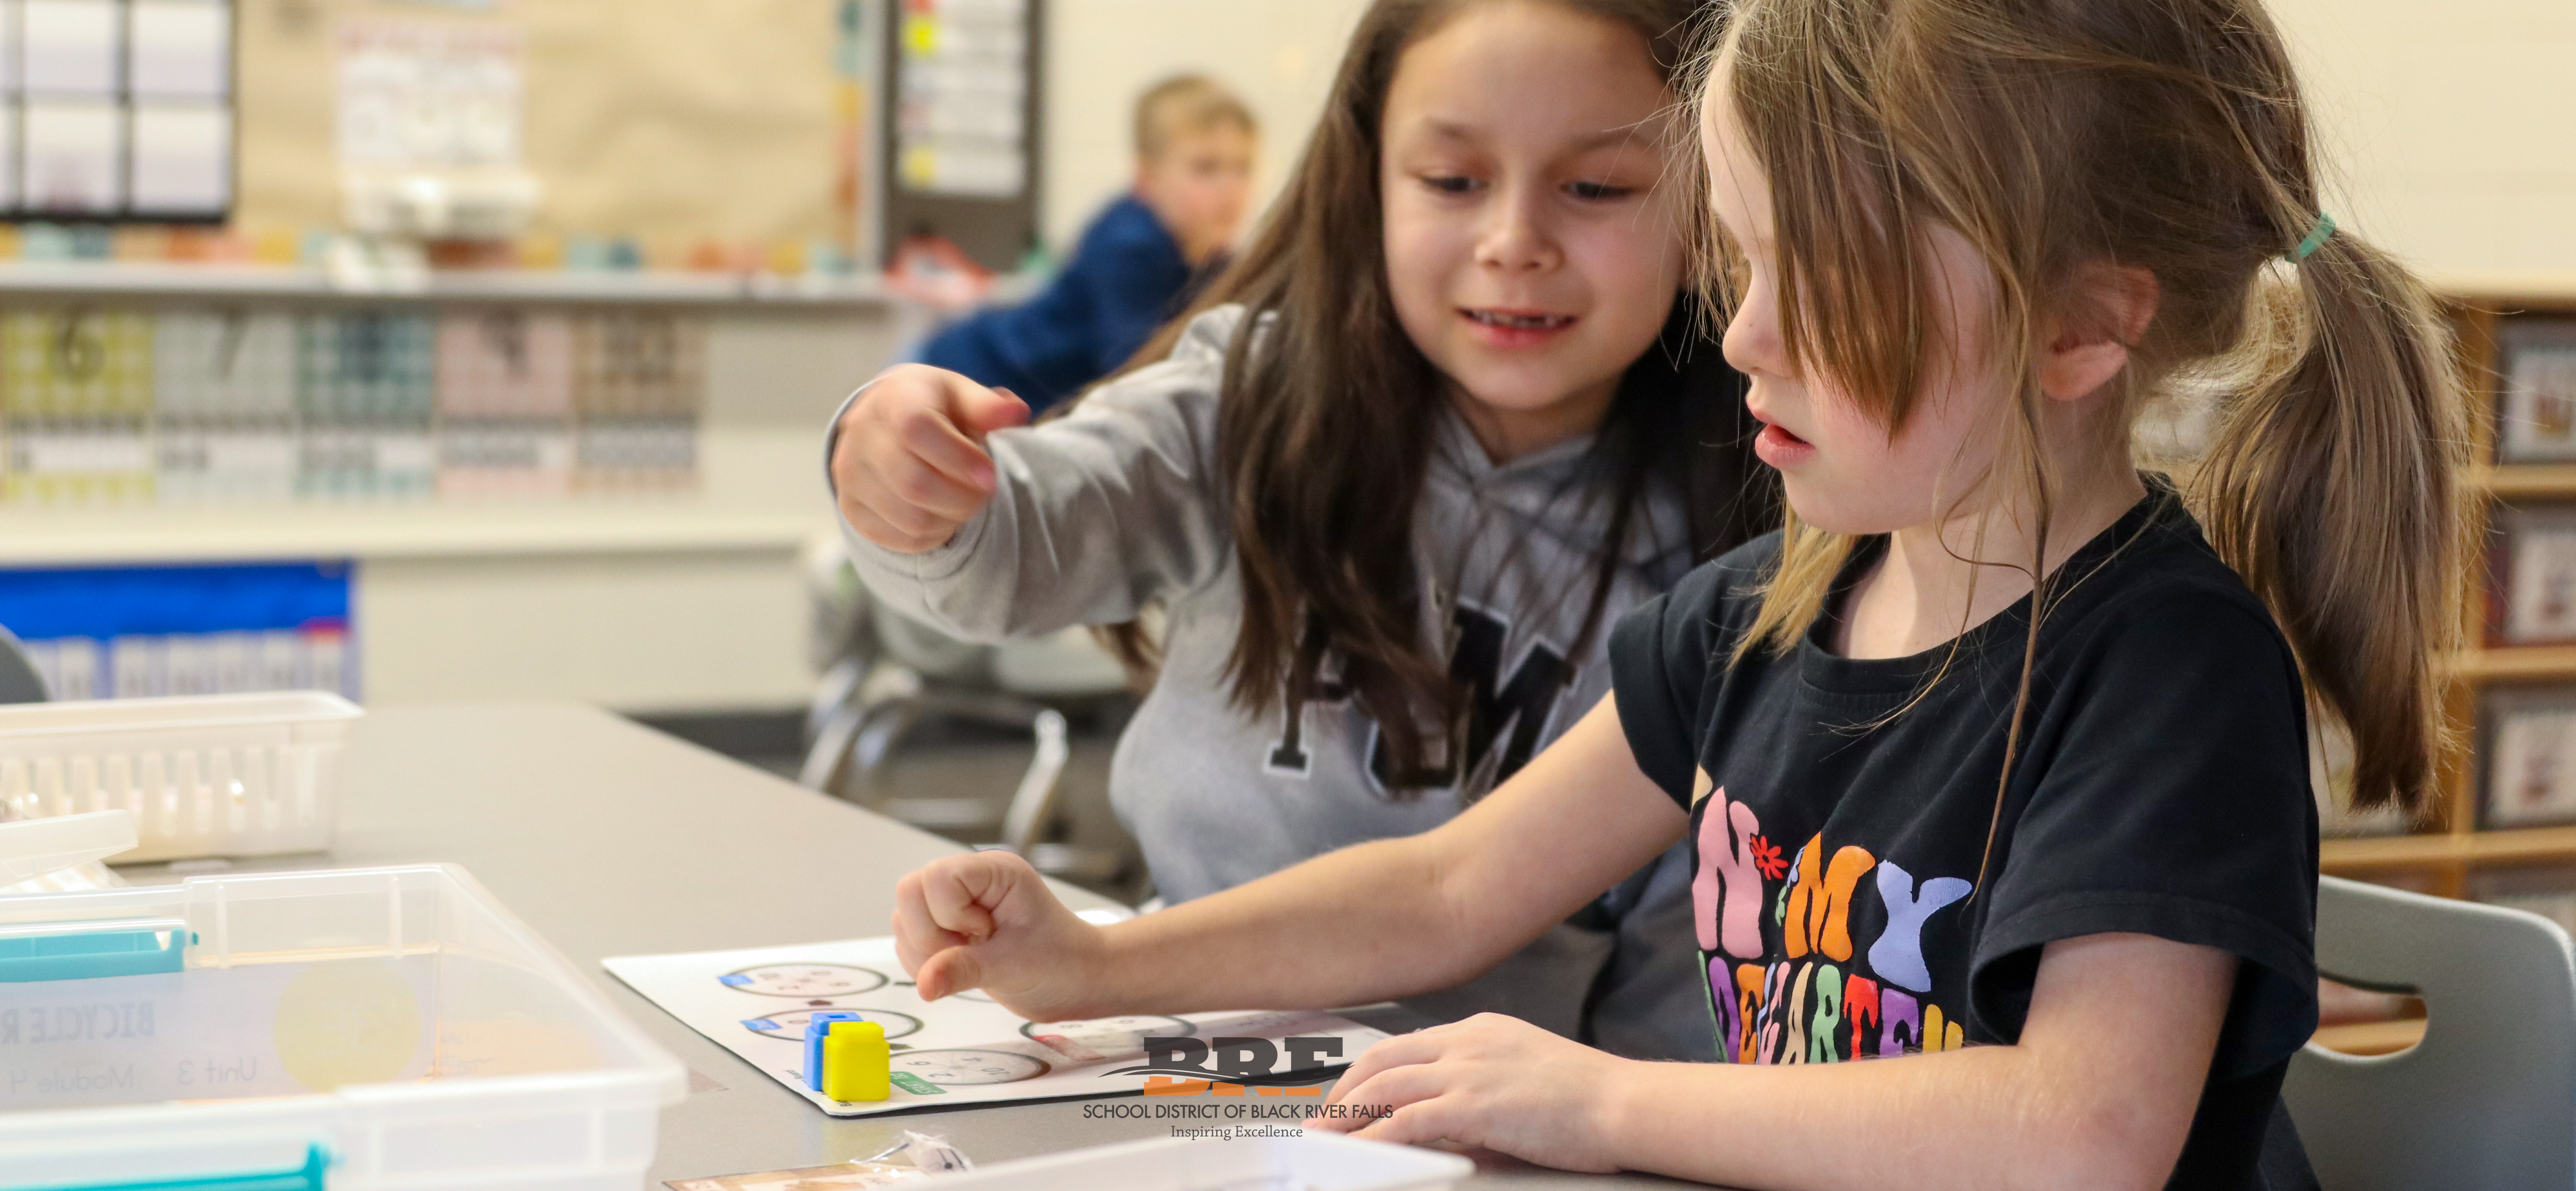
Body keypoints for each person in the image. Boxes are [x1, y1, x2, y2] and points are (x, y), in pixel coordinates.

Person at [880, 0, 2476, 1185]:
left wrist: (1595, 1096)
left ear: (2081, 331)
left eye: (1820, 285)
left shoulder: (2163, 665)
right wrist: (1092, 965)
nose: (1742, 338)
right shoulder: (1762, 613)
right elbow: (1446, 892)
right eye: (1744, 265)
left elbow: (2083, 1129)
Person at [832, 0, 1774, 1060]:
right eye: (1453, 181)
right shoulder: (1254, 400)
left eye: (1595, 188)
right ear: (1366, 184)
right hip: (1176, 1035)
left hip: (1492, 1111)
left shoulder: (1733, 538)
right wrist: (910, 478)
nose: (1515, 244)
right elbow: (1011, 551)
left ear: (1711, 214)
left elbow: (1683, 978)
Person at [916, 75, 1259, 413]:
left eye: (1242, 168)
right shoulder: (1128, 245)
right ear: (1146, 177)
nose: (1229, 188)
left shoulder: (1210, 254)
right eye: (1206, 168)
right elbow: (1138, 378)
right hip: (959, 376)